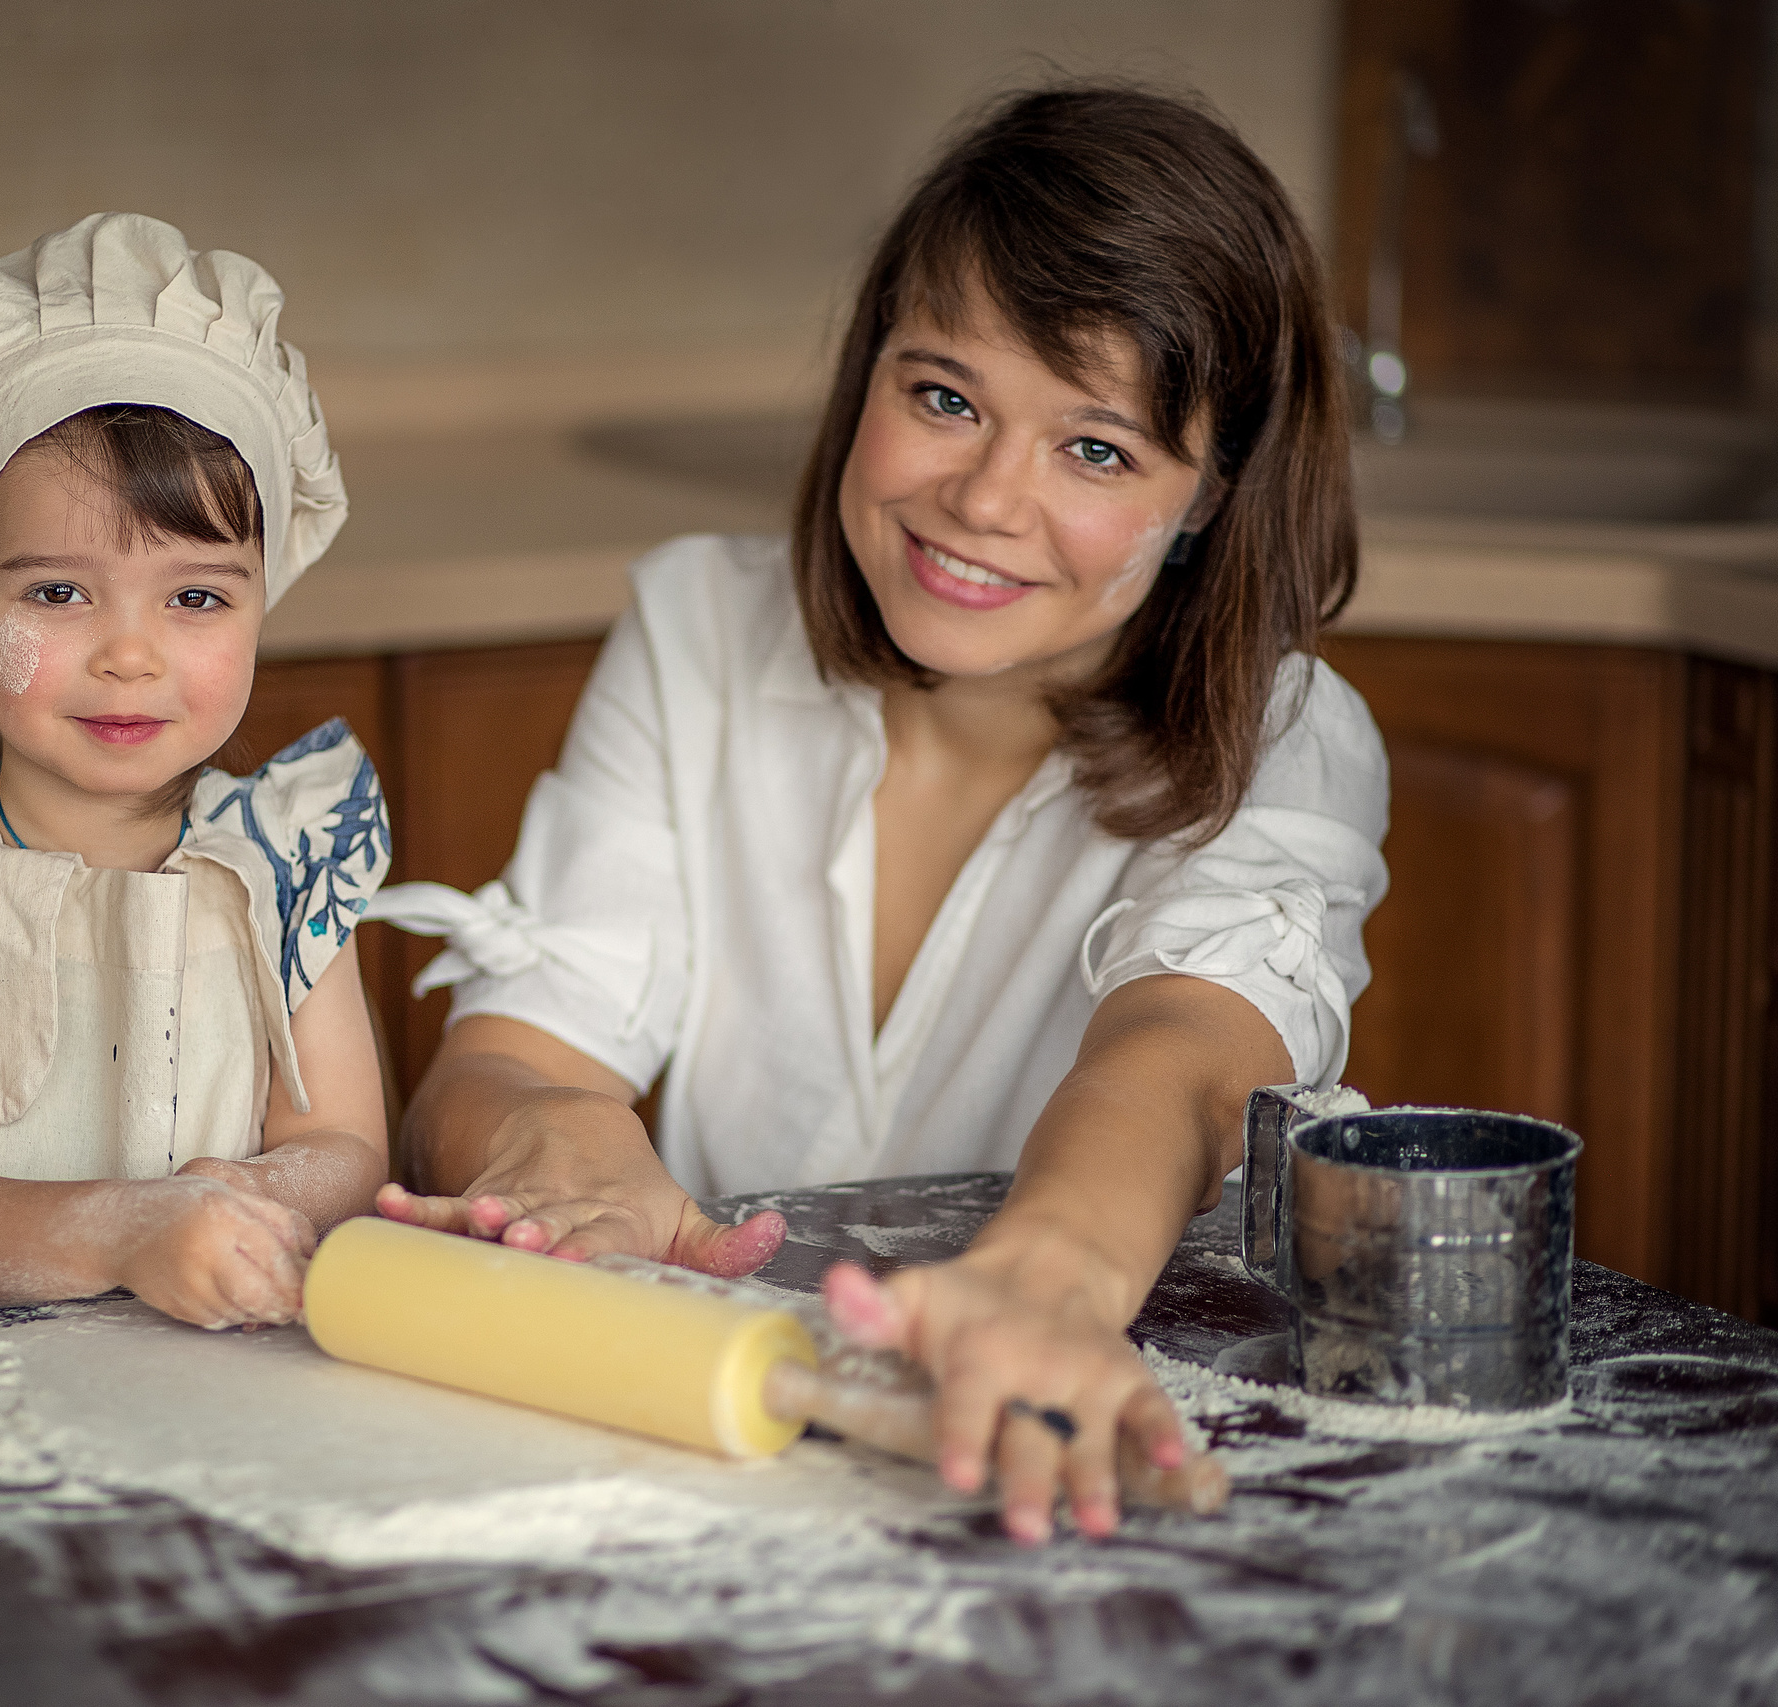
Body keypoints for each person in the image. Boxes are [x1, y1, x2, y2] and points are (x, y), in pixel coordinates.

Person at [371, 87, 1389, 1544]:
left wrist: (1044, 1282)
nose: (984, 498)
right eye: (945, 398)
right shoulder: (698, 626)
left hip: (1044, 1463)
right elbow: (515, 1056)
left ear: (1209, 498)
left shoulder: (1283, 737)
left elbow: (1181, 1058)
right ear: (868, 376)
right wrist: (556, 1143)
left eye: (1096, 448)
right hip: (717, 1449)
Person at [0, 213, 391, 1329]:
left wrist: (244, 1195)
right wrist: (125, 1228)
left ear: (262, 606)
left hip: (212, 1381)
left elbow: (344, 1144)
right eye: (57, 592)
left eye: (196, 596)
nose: (129, 655)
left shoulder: (290, 860)